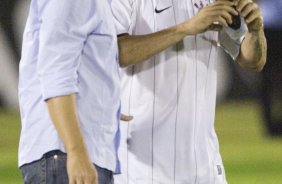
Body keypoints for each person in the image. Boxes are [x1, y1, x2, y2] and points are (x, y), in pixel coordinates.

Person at [111, 0, 267, 183]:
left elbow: (253, 60)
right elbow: (117, 51)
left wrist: (255, 31)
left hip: (205, 165)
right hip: (141, 167)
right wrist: (184, 28)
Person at [18, 0, 122, 183]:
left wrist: (106, 107)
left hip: (75, 153)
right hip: (65, 154)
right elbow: (56, 72)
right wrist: (76, 151)